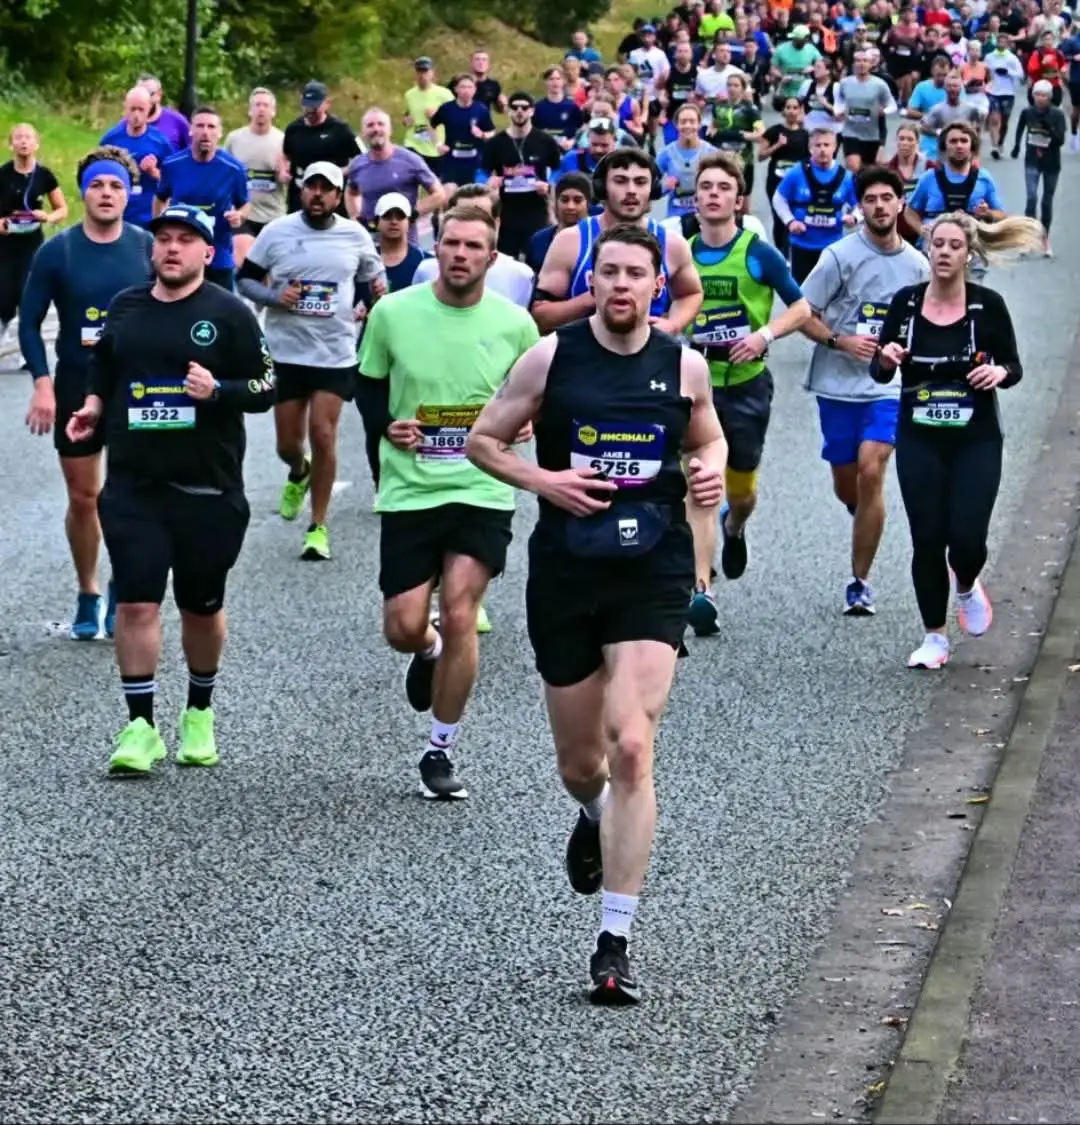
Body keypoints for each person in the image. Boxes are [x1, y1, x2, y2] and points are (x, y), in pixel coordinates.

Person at [466, 223, 726, 1005]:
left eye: (634, 274)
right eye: (607, 271)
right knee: (583, 765)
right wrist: (547, 481)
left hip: (652, 567)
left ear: (658, 284)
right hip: (567, 570)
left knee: (634, 745)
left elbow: (707, 440)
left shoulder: (684, 365)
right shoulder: (552, 356)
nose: (620, 285)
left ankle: (613, 941)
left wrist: (708, 474)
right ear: (595, 279)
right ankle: (593, 814)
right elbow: (484, 441)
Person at [63, 203, 276, 772]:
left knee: (200, 607)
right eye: (164, 239)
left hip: (208, 488)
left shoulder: (228, 313)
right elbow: (103, 371)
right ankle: (140, 727)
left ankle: (198, 713)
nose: (173, 248)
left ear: (208, 252)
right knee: (136, 602)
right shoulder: (126, 308)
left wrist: (219, 389)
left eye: (186, 240)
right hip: (134, 485)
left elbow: (266, 385)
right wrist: (91, 407)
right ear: (152, 250)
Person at [357, 205, 539, 801]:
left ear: (492, 257)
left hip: (481, 486)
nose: (460, 255)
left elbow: (536, 394)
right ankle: (427, 649)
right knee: (403, 626)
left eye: (473, 247)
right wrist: (388, 427)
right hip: (411, 487)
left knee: (462, 610)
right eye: (451, 245)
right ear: (437, 250)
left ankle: (439, 749)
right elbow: (368, 387)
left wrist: (527, 423)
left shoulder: (515, 325)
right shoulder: (393, 313)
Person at [869, 211, 1042, 670]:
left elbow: (1014, 367)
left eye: (953, 246)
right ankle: (934, 638)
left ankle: (966, 583)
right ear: (928, 249)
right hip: (919, 437)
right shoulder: (905, 304)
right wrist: (886, 358)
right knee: (927, 537)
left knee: (966, 538)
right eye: (937, 244)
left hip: (976, 439)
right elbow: (879, 368)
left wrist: (999, 371)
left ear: (968, 254)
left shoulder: (988, 307)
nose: (944, 252)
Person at [20, 147, 153, 640]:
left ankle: (123, 588)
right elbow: (29, 324)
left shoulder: (146, 248)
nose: (106, 194)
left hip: (136, 389)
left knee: (130, 495)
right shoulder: (59, 251)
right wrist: (42, 384)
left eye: (116, 186)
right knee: (84, 496)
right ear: (83, 191)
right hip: (77, 384)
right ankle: (88, 590)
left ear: (128, 193)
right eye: (98, 185)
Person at [684, 153, 810, 634]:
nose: (713, 194)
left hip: (746, 385)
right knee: (697, 483)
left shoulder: (759, 252)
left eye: (722, 188)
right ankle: (701, 589)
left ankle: (734, 528)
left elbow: (801, 307)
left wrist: (763, 337)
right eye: (705, 187)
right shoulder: (681, 252)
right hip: (694, 387)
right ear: (695, 199)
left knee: (739, 492)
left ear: (738, 200)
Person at [798, 166, 930, 616]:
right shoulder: (838, 257)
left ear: (899, 204)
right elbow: (804, 313)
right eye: (870, 199)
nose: (879, 206)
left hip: (887, 386)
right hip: (837, 384)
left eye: (886, 198)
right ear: (860, 207)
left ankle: (860, 582)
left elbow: (928, 323)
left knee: (872, 470)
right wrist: (841, 340)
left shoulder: (917, 265)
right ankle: (863, 514)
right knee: (848, 482)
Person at [236, 162, 385, 561]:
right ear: (302, 191)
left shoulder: (355, 236)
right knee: (288, 443)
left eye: (327, 188)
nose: (318, 194)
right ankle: (298, 471)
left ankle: (318, 526)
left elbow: (374, 283)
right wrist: (272, 297)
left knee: (324, 433)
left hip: (334, 352)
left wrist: (373, 310)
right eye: (311, 187)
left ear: (339, 196)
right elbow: (244, 278)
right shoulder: (276, 232)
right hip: (286, 351)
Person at [532, 147, 704, 336]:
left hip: (647, 360)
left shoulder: (672, 244)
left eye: (640, 182)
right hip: (584, 359)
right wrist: (592, 298)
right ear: (602, 187)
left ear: (652, 189)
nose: (631, 191)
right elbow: (540, 316)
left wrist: (674, 324)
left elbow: (691, 294)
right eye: (620, 181)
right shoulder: (571, 241)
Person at [354, 191, 432, 487]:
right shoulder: (364, 261)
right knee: (375, 419)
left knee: (412, 414)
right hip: (372, 349)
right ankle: (380, 481)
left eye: (400, 216)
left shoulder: (424, 262)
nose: (395, 222)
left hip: (414, 350)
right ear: (377, 222)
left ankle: (417, 475)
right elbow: (349, 301)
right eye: (388, 216)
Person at [153, 106, 249, 291]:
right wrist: (160, 229)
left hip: (218, 254)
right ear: (191, 130)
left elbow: (245, 204)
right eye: (200, 126)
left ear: (220, 133)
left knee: (221, 312)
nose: (205, 132)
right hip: (181, 254)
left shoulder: (233, 169)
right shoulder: (172, 165)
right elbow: (159, 198)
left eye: (211, 127)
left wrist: (239, 216)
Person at [0, 124, 67, 354]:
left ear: (36, 143)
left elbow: (62, 209)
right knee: (4, 293)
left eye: (28, 138)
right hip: (6, 244)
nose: (23, 142)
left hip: (32, 243)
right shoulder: (3, 174)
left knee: (27, 294)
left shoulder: (45, 175)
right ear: (10, 144)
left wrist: (46, 216)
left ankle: (27, 350)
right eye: (18, 138)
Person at [412, 183, 534, 308]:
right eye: (463, 216)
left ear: (497, 223)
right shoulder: (425, 271)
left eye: (480, 217)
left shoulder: (520, 276)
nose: (470, 224)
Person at [345, 108, 445, 246]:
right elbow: (351, 192)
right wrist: (355, 216)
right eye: (370, 125)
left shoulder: (410, 160)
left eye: (381, 124)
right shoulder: (358, 164)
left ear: (390, 130)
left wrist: (412, 214)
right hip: (371, 244)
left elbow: (439, 194)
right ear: (363, 133)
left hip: (406, 244)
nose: (376, 129)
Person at [482, 92, 564, 260]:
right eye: (515, 107)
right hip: (507, 211)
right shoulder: (496, 143)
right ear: (508, 111)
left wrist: (549, 185)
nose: (520, 111)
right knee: (505, 261)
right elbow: (481, 171)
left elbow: (558, 170)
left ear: (532, 111)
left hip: (536, 209)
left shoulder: (545, 140)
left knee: (537, 259)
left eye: (524, 108)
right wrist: (488, 181)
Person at [771, 128, 859, 284]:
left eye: (827, 145)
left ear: (835, 147)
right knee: (802, 295)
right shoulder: (796, 172)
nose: (822, 149)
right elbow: (778, 199)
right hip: (801, 246)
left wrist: (854, 218)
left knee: (831, 295)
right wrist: (790, 221)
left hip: (833, 248)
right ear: (810, 148)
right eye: (818, 145)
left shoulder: (846, 177)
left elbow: (860, 206)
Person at [905, 122, 1006, 244]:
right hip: (933, 248)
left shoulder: (984, 178)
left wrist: (987, 213)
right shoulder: (929, 178)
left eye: (964, 141)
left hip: (971, 247)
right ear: (944, 146)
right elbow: (910, 212)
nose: (959, 146)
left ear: (971, 147)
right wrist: (921, 229)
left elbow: (1001, 215)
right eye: (953, 141)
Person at [224, 87, 288, 269]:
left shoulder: (283, 140)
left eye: (266, 106)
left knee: (269, 270)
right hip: (244, 214)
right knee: (243, 262)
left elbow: (288, 178)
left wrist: (284, 175)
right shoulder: (234, 139)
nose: (261, 109)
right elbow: (225, 174)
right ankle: (242, 297)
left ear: (273, 111)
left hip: (273, 215)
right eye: (257, 105)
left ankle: (263, 297)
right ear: (250, 110)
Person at [282, 81, 361, 215]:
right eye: (307, 106)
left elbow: (360, 159)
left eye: (315, 106)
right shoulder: (293, 129)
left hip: (331, 199)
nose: (310, 111)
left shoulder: (340, 129)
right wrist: (283, 170)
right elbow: (285, 154)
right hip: (299, 198)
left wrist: (338, 172)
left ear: (326, 104)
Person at [99, 87, 173, 230]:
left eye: (141, 109)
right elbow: (97, 175)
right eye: (132, 109)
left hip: (149, 217)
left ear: (149, 109)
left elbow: (174, 182)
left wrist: (154, 172)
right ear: (125, 108)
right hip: (118, 215)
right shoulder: (111, 139)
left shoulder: (160, 142)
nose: (136, 115)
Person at [1011, 79, 1066, 256]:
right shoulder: (1027, 112)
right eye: (1037, 94)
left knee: (1046, 202)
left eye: (1044, 95)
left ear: (1049, 97)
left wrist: (1049, 127)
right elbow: (1020, 129)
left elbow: (1060, 140)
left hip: (1051, 163)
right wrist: (1016, 146)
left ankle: (1044, 240)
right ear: (1033, 96)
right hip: (1032, 160)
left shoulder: (1057, 115)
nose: (1040, 98)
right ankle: (1027, 239)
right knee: (1032, 198)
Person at [759, 96, 810, 258]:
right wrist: (778, 145)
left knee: (795, 216)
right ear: (783, 110)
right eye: (788, 107)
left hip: (798, 184)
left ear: (801, 110)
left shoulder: (806, 135)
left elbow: (810, 160)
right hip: (776, 181)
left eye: (795, 108)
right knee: (779, 218)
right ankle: (780, 252)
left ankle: (793, 251)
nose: (792, 111)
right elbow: (761, 155)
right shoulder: (774, 131)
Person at [835, 48, 897, 171]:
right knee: (853, 167)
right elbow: (839, 101)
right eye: (857, 61)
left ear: (870, 64)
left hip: (872, 134)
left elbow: (893, 105)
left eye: (865, 61)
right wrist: (838, 111)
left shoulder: (880, 85)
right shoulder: (845, 83)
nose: (861, 64)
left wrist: (883, 111)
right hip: (851, 132)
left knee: (870, 171)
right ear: (853, 64)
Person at [656, 103, 718, 222]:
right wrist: (664, 186)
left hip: (704, 218)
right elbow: (649, 186)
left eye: (692, 121)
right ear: (676, 125)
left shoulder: (711, 153)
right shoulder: (666, 153)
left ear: (699, 125)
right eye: (683, 122)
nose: (687, 126)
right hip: (675, 218)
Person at [525, 172, 592, 275]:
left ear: (588, 204)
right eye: (564, 200)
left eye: (577, 201)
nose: (570, 206)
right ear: (556, 203)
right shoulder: (538, 240)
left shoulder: (600, 240)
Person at [402, 57, 454, 172]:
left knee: (435, 183)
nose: (422, 75)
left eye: (425, 71)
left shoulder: (444, 94)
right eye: (419, 71)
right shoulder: (409, 94)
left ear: (432, 73)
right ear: (415, 74)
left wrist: (438, 114)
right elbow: (406, 114)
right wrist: (406, 120)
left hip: (435, 144)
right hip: (413, 143)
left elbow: (456, 115)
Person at [985, 33, 1025, 158]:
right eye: (999, 41)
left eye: (1004, 42)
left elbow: (1020, 74)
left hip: (1008, 92)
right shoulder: (989, 57)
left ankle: (1001, 142)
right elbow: (985, 71)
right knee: (994, 119)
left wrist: (1008, 72)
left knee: (1004, 121)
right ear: (996, 43)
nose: (1001, 44)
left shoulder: (1012, 58)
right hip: (993, 91)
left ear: (1007, 44)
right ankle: (995, 146)